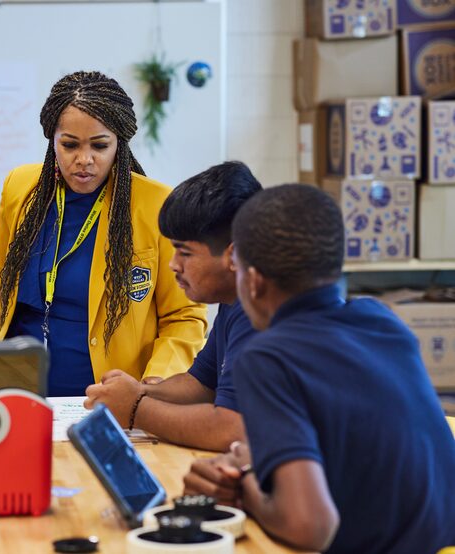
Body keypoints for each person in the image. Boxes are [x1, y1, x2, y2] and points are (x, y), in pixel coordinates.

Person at [183, 184, 455, 553]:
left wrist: (242, 485)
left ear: (254, 280)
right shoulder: (381, 319)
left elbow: (310, 526)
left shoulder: (267, 358)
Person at [0, 71, 207, 396]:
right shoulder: (21, 188)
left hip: (110, 401)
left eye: (100, 146)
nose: (84, 160)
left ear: (120, 144)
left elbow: (184, 316)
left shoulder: (156, 205)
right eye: (70, 145)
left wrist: (153, 388)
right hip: (15, 393)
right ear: (53, 142)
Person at [84, 161, 260, 451]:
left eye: (185, 252)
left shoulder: (258, 311)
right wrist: (139, 391)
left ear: (233, 255)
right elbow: (201, 386)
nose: (173, 264)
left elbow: (230, 429)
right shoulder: (233, 301)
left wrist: (134, 410)